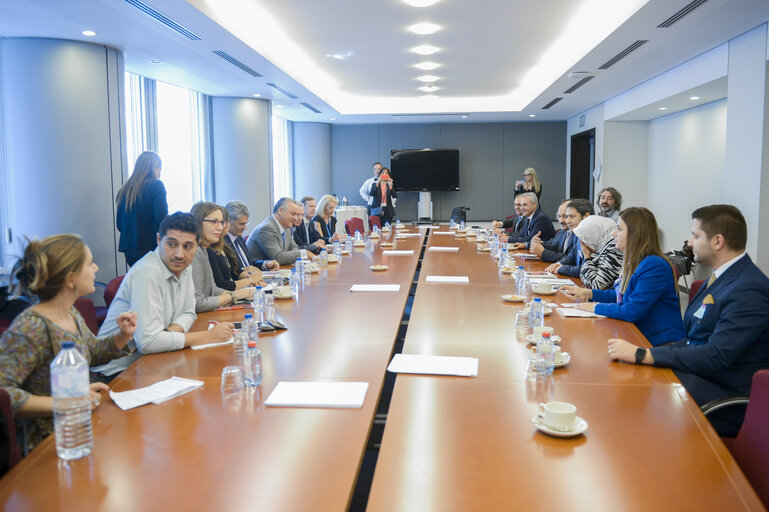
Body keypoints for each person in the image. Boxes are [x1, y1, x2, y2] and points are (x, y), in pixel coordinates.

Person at [608, 205, 769, 436]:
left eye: (695, 235)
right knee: (627, 386)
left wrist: (644, 354)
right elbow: (693, 339)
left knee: (632, 408)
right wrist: (645, 353)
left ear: (717, 241)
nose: (690, 243)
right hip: (699, 376)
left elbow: (716, 355)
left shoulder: (748, 289)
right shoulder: (721, 278)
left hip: (724, 398)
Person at [0, 234, 137, 448]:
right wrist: (69, 402)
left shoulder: (70, 313)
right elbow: (4, 392)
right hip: (48, 442)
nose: (96, 268)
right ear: (70, 278)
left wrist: (123, 335)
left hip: (78, 427)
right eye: (90, 264)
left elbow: (92, 352)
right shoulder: (30, 327)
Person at [93, 212, 235, 378]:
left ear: (197, 245)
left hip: (153, 361)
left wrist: (168, 333)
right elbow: (147, 343)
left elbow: (189, 311)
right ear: (159, 240)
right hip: (116, 373)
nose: (179, 254)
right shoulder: (148, 271)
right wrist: (207, 336)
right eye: (172, 244)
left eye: (188, 246)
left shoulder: (184, 266)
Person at [561, 207, 684, 346]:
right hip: (637, 334)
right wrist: (589, 293)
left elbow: (632, 310)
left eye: (619, 229)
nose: (614, 234)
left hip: (660, 343)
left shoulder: (654, 265)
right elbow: (622, 295)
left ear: (634, 234)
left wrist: (595, 307)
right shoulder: (635, 260)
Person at [190, 202, 254, 313]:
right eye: (214, 222)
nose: (220, 227)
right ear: (198, 222)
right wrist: (236, 295)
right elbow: (198, 304)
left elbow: (212, 289)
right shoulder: (195, 252)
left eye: (221, 222)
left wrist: (246, 293)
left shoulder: (204, 248)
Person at [115, 151, 169, 266]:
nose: (160, 172)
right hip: (150, 246)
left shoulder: (125, 190)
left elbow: (120, 225)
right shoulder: (156, 185)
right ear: (154, 168)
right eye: (159, 168)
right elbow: (161, 218)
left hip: (129, 250)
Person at [205, 206, 266, 292]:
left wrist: (246, 274)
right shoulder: (213, 247)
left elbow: (241, 268)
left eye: (221, 222)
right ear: (229, 220)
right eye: (216, 222)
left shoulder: (238, 238)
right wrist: (249, 280)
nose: (220, 227)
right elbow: (221, 283)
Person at [223, 200, 278, 278]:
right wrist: (244, 271)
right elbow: (228, 273)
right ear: (228, 221)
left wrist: (265, 264)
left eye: (246, 223)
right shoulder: (222, 243)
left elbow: (249, 264)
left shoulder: (239, 238)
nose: (245, 228)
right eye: (241, 224)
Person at [247, 198, 309, 265]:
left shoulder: (286, 227)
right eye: (293, 214)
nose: (296, 218)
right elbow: (278, 258)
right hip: (257, 272)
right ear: (280, 211)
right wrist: (304, 253)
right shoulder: (266, 228)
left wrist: (292, 255)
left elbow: (294, 247)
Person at [544, 198, 594, 277]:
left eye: (572, 216)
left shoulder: (594, 237)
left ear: (586, 216)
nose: (567, 221)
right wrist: (558, 264)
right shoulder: (579, 234)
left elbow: (585, 269)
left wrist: (561, 269)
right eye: (567, 216)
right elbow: (572, 256)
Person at [572, 214, 623, 290]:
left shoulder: (614, 249)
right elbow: (584, 277)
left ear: (594, 235)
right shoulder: (600, 249)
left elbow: (596, 285)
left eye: (585, 240)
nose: (583, 245)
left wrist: (587, 257)